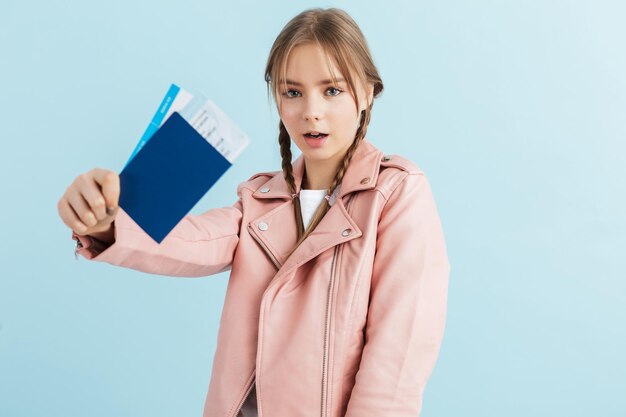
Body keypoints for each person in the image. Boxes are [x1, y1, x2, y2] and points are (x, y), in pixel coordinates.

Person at [57, 7, 451, 417]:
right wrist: (106, 224)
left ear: (368, 92)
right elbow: (191, 241)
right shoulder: (260, 198)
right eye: (292, 92)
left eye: (332, 90)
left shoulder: (396, 193)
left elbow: (398, 359)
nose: (311, 111)